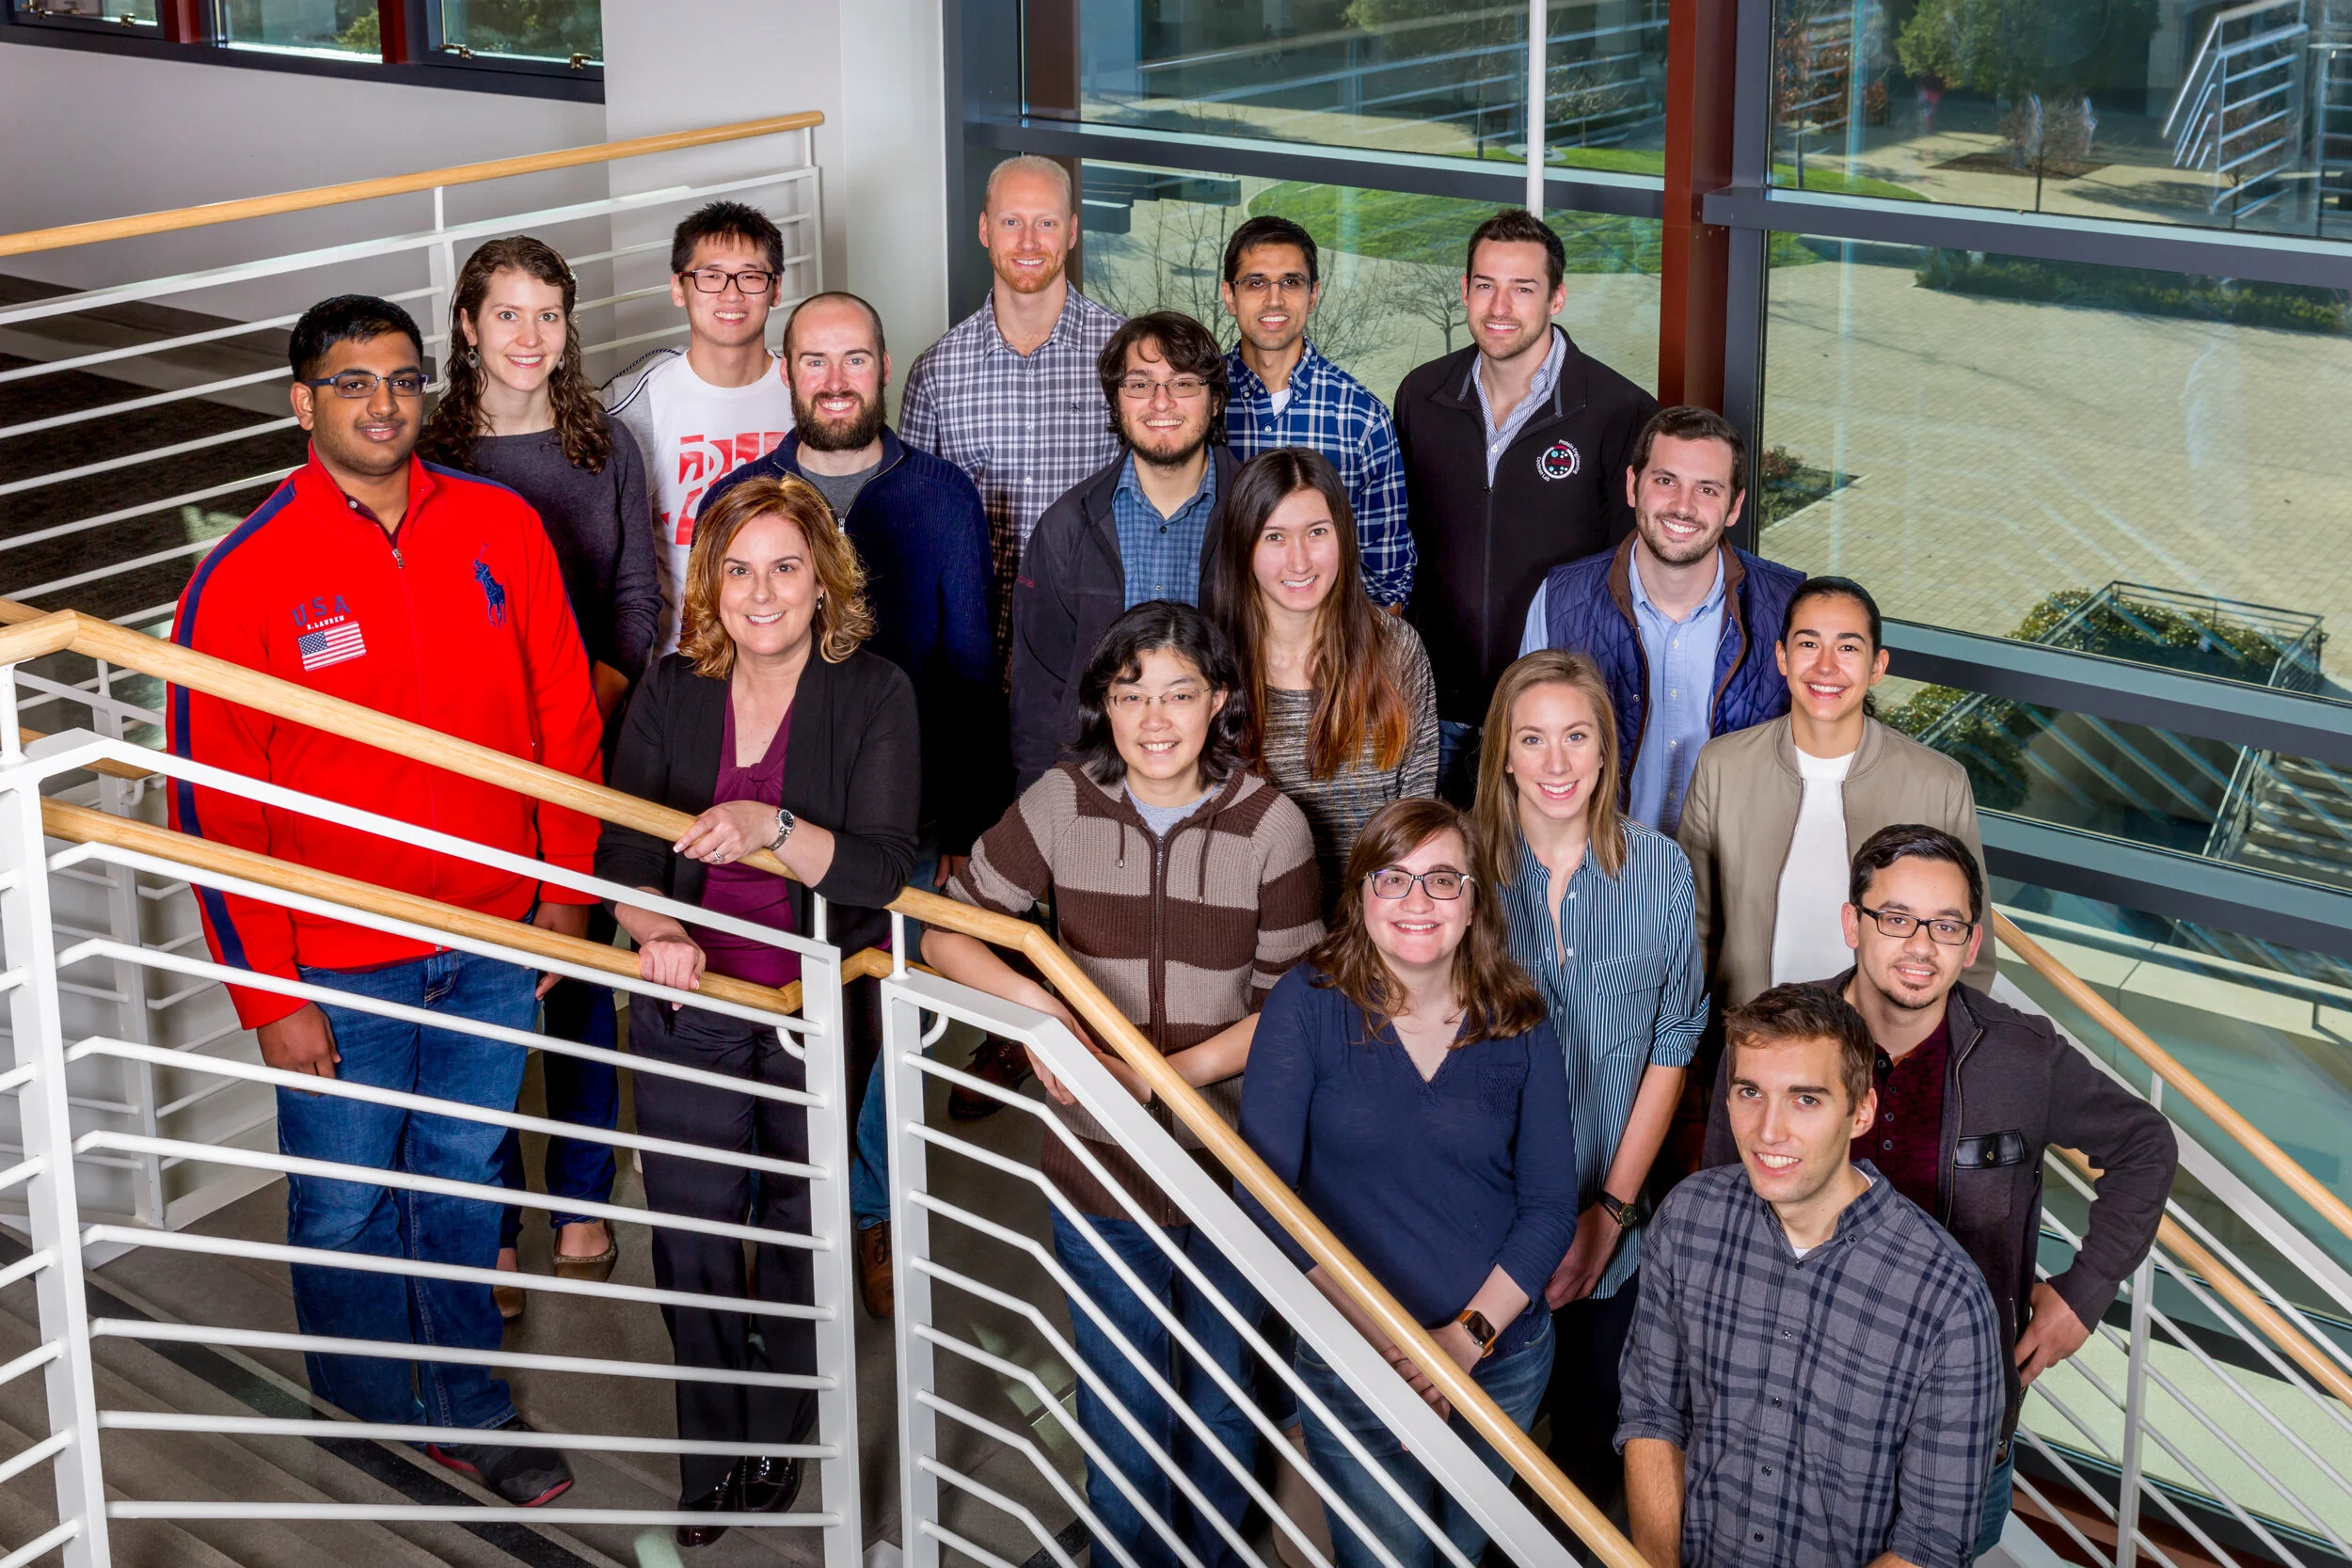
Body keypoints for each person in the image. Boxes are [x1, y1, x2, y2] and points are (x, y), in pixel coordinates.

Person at [168, 293, 601, 1506]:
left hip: (491, 936)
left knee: (461, 1180)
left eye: (403, 379)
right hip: (335, 964)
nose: (383, 403)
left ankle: (466, 1409)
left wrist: (562, 891)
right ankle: (361, 1416)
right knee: (348, 1202)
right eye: (352, 382)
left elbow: (563, 715)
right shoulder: (243, 574)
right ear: (303, 401)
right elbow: (213, 808)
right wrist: (268, 995)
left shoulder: (502, 527)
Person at [924, 601, 1323, 1568]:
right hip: (1096, 1168)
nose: (1154, 717)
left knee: (1223, 1398)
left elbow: (1294, 1016)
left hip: (1232, 1164)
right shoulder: (1062, 800)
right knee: (1126, 1402)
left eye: (1180, 692)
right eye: (1130, 690)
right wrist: (1049, 1015)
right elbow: (946, 930)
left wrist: (1159, 1079)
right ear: (1103, 702)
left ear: (1219, 700)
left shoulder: (1273, 826)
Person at [1702, 825, 2177, 1563]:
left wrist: (2085, 1292)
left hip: (1958, 1434)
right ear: (1851, 922)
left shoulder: (2023, 1055)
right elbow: (1720, 1213)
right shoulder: (1777, 1043)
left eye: (1946, 925)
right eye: (1895, 918)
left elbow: (2146, 1144)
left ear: (1972, 941)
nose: (1920, 945)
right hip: (1787, 1425)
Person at [597, 473, 918, 1547]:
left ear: (824, 581)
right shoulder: (673, 683)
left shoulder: (875, 692)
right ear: (710, 582)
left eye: (786, 566)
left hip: (813, 1003)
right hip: (692, 997)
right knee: (692, 1233)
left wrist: (767, 821)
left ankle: (778, 1430)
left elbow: (875, 868)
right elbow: (622, 851)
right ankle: (710, 1453)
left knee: (795, 1221)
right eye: (738, 569)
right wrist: (659, 934)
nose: (762, 590)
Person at [699, 289, 1010, 1317]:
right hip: (771, 816)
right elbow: (709, 656)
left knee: (894, 1018)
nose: (836, 381)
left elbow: (969, 665)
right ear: (788, 371)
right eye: (816, 361)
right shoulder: (741, 495)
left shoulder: (945, 495)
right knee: (780, 1018)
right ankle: (783, 1215)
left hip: (908, 821)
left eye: (856, 360)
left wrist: (967, 830)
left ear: (886, 368)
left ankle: (869, 1208)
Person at [1240, 797, 1576, 1568]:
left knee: (1459, 1553)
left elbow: (1551, 1203)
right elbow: (1260, 1197)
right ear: (1360, 896)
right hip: (1355, 1353)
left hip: (1501, 1359)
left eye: (1442, 880)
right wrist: (1384, 1340)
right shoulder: (1308, 1003)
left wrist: (1462, 1342)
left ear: (1474, 902)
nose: (1417, 903)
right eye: (1392, 879)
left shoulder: (1519, 1016)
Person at [419, 233, 659, 1310]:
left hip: (584, 752)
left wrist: (580, 718)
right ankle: (492, 1217)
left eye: (547, 315)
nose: (528, 336)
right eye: (505, 313)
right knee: (484, 994)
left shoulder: (604, 444)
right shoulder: (426, 450)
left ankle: (579, 1194)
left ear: (569, 328)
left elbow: (638, 603)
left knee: (580, 985)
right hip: (470, 763)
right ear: (466, 324)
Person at [1618, 985, 2005, 1568]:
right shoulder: (1687, 1219)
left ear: (1862, 1111)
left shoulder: (1949, 1301)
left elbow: (1930, 1544)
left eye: (1805, 1100)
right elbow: (1652, 1416)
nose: (1769, 1131)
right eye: (1750, 1092)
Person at [1471, 650, 1705, 1515]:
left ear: (1608, 751)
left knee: (1593, 1464)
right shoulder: (1460, 876)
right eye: (1533, 740)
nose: (1557, 762)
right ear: (1503, 753)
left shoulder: (1662, 870)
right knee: (1479, 1468)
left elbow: (1673, 1045)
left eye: (1577, 737)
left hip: (1618, 1230)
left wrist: (1607, 1214)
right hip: (1483, 1226)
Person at [1391, 208, 1658, 801]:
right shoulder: (1422, 397)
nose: (1500, 307)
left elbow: (1628, 577)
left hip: (1552, 726)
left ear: (1557, 298)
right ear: (1464, 290)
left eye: (1523, 288)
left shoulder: (1621, 412)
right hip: (1439, 712)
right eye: (1485, 285)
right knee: (1449, 883)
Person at [1677, 575, 1994, 1019]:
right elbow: (1692, 931)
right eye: (1809, 645)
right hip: (1749, 1046)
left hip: (1880, 1055)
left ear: (1877, 666)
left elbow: (1970, 953)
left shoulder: (1939, 783)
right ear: (1783, 657)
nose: (1826, 667)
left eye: (1847, 648)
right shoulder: (1723, 765)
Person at [1518, 404, 1804, 835]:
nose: (1682, 507)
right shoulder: (1559, 599)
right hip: (1602, 872)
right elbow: (1523, 748)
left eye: (1707, 489)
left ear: (1734, 507)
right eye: (1666, 481)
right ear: (1633, 486)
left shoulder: (1788, 607)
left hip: (1732, 879)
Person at [902, 153, 1123, 654]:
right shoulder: (935, 371)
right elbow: (916, 524)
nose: (1027, 242)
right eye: (1011, 222)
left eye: (1045, 223)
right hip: (978, 643)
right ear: (985, 229)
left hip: (1097, 641)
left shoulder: (1127, 356)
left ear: (1070, 231)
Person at [1010, 310, 1239, 789]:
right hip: (1100, 789)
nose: (1161, 402)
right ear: (1116, 402)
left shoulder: (1261, 520)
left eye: (1183, 384)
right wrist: (1038, 812)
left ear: (1215, 401)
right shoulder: (1065, 527)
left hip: (1231, 788)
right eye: (1140, 385)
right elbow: (1040, 693)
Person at [1205, 447, 1438, 910]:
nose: (1299, 562)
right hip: (1253, 932)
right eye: (1274, 537)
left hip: (1377, 926)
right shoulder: (1209, 666)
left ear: (1343, 536)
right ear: (1243, 546)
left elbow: (1416, 819)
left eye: (1316, 532)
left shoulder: (1397, 650)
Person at [606, 200, 797, 654]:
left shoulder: (807, 392)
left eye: (750, 276)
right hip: (678, 666)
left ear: (775, 290)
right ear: (678, 288)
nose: (731, 295)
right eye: (710, 276)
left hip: (794, 659)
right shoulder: (630, 403)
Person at [1216, 215, 1413, 610]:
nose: (1274, 300)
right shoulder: (1198, 406)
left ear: (1314, 294)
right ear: (1229, 296)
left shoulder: (1362, 418)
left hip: (1328, 656)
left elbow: (1386, 580)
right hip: (1214, 644)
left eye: (1291, 282)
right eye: (1255, 282)